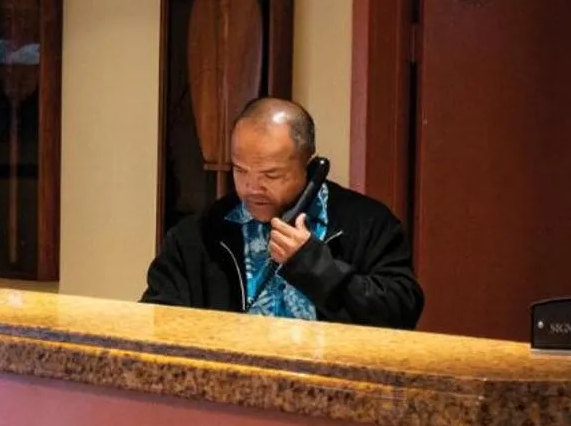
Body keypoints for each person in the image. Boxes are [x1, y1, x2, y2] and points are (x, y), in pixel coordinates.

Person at [142, 98, 424, 328]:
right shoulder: (198, 235)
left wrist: (316, 267)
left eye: (271, 175)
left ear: (310, 167)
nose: (252, 188)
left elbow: (401, 312)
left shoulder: (368, 223)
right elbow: (158, 320)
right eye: (240, 171)